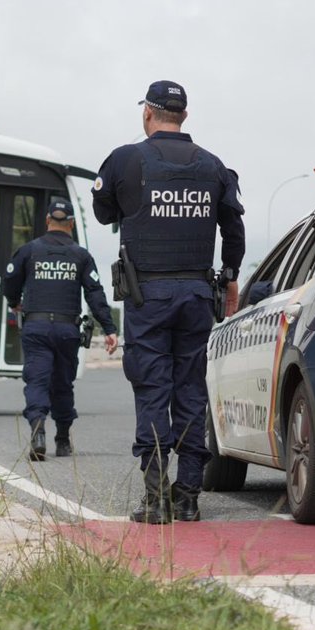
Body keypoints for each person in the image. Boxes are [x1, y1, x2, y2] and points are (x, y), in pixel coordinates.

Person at [92, 80, 245, 524]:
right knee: (191, 389)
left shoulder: (126, 159)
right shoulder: (213, 166)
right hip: (198, 294)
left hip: (149, 297)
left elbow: (104, 212)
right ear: (184, 116)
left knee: (153, 388)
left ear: (148, 114)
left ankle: (156, 497)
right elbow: (233, 231)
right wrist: (230, 277)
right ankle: (189, 494)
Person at [2, 199, 118, 461]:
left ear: (46, 221)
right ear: (72, 224)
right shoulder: (81, 255)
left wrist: (14, 302)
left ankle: (38, 429)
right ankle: (63, 440)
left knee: (38, 380)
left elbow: (10, 279)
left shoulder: (29, 251)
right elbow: (95, 294)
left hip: (37, 327)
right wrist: (109, 328)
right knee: (63, 385)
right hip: (67, 330)